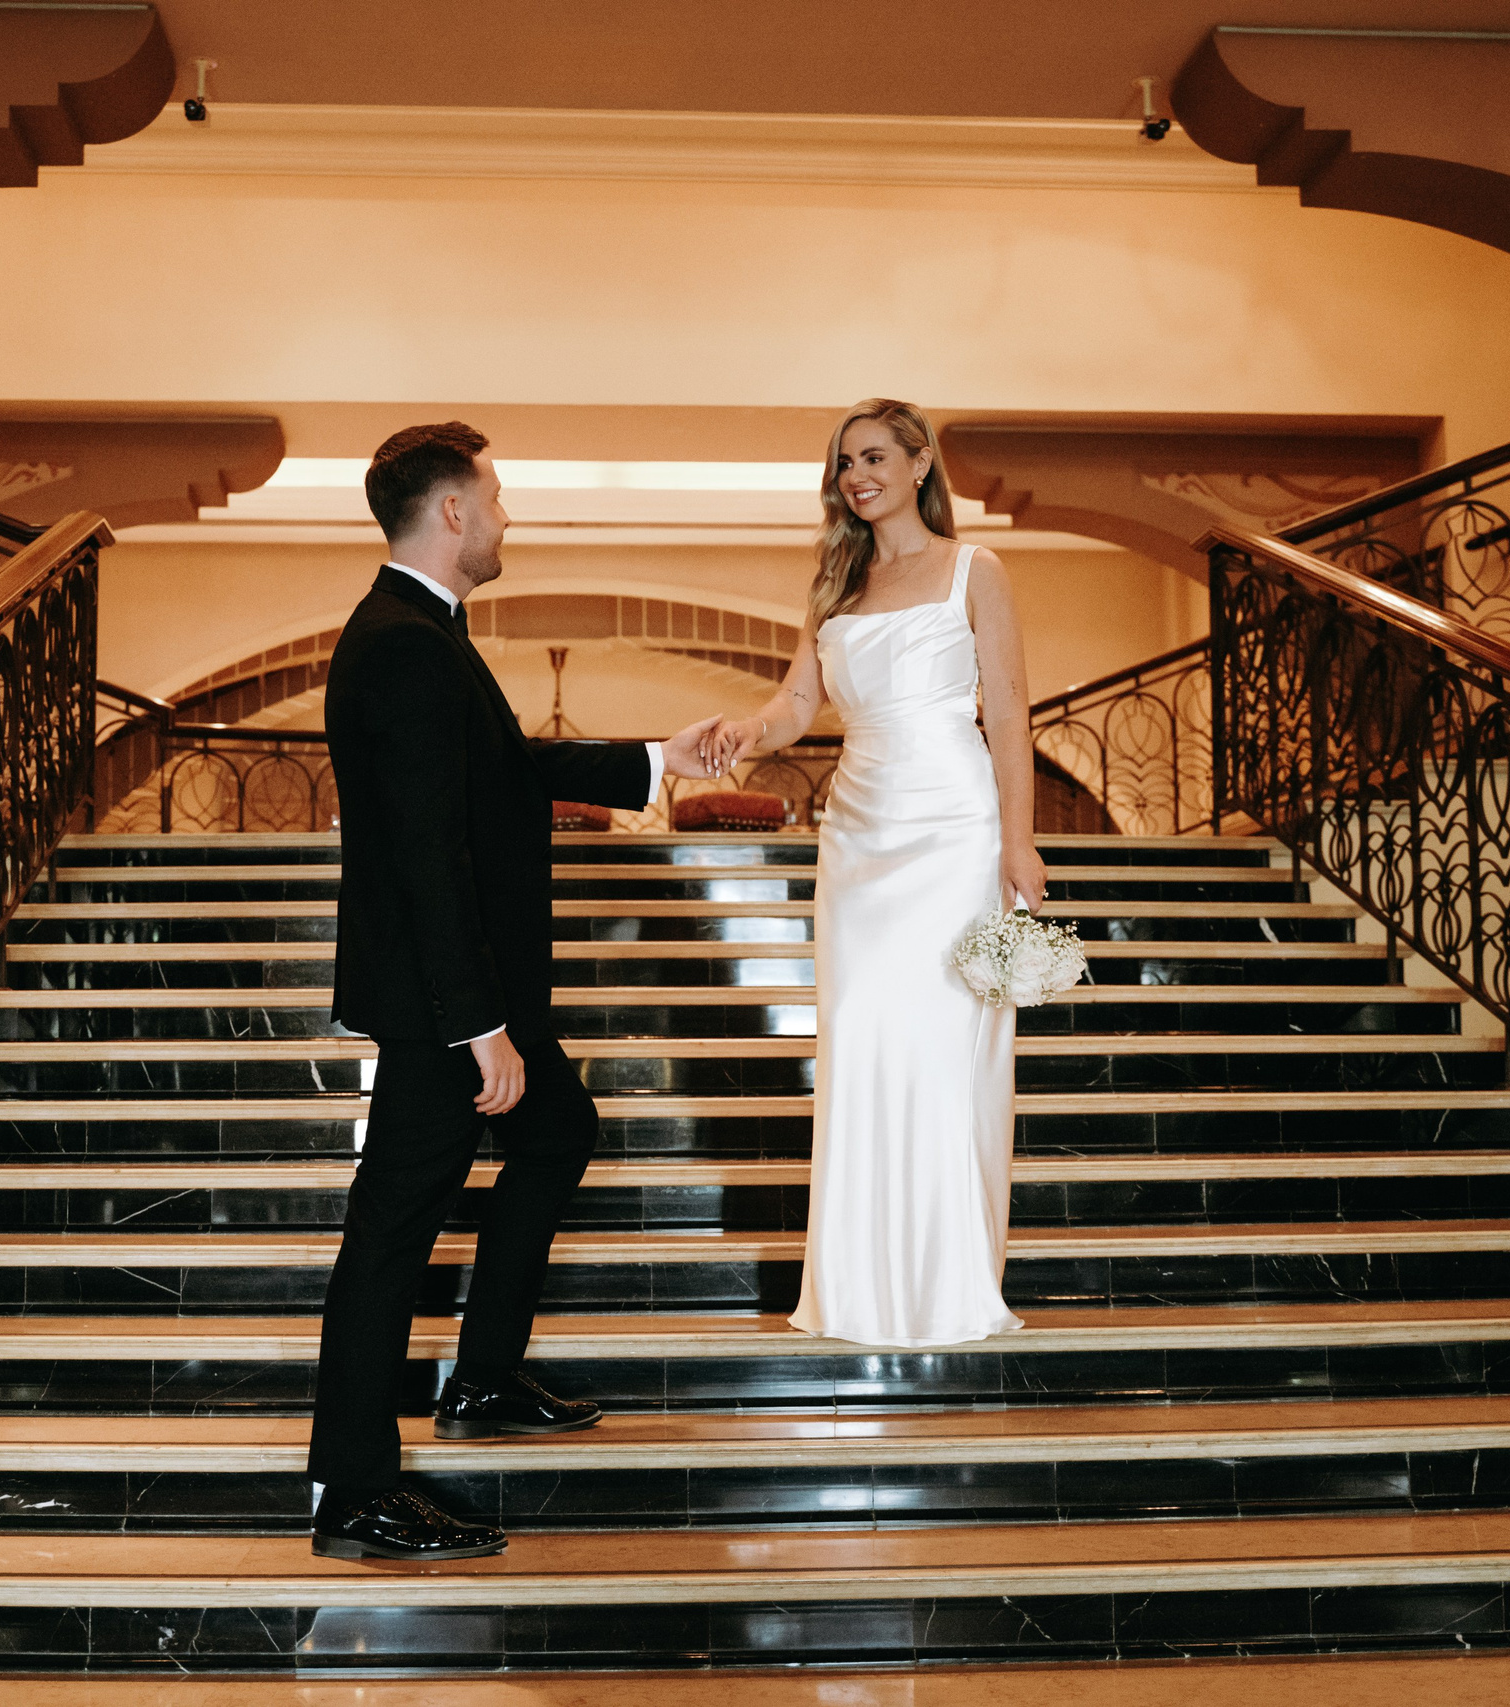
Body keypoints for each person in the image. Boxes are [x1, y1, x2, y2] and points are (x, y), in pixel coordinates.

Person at [309, 421, 723, 1561]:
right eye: (492, 496)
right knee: (391, 1228)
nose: (504, 515)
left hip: (477, 990)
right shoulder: (399, 643)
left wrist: (656, 759)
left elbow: (505, 771)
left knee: (555, 1136)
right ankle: (353, 1494)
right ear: (449, 512)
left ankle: (481, 1376)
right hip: (452, 1002)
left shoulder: (426, 633)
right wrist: (479, 1024)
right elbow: (423, 853)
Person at [702, 398, 1047, 1347]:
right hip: (858, 835)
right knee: (858, 1043)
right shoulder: (833, 587)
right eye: (845, 462)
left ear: (922, 461)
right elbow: (796, 704)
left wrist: (1018, 841)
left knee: (945, 1052)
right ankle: (855, 1286)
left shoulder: (978, 569)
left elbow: (1010, 713)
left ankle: (949, 1281)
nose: (858, 475)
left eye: (875, 456)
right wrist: (746, 731)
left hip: (953, 830)